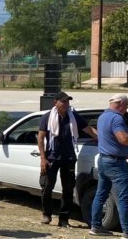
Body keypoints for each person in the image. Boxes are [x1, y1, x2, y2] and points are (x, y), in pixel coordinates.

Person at [90, 94, 128, 239]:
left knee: (101, 193)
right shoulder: (117, 118)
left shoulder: (103, 116)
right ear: (121, 104)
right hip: (116, 162)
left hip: (104, 160)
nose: (127, 109)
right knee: (124, 197)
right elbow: (123, 138)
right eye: (127, 106)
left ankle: (96, 225)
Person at [37, 91, 96, 227]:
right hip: (51, 158)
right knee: (47, 187)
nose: (66, 104)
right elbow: (40, 138)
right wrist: (42, 158)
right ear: (55, 102)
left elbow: (89, 130)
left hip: (69, 157)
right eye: (63, 101)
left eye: (68, 101)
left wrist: (105, 139)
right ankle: (46, 214)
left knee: (68, 189)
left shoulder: (73, 117)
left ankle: (64, 219)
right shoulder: (47, 117)